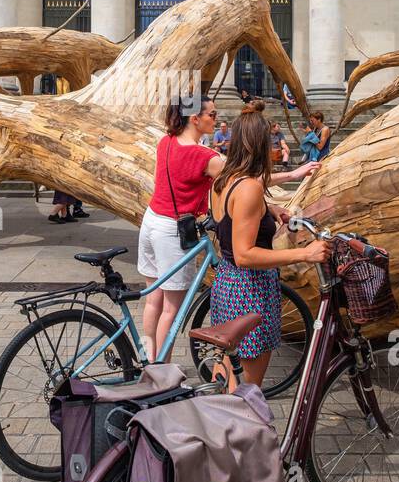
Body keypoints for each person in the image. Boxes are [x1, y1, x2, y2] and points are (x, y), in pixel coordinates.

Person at [210, 100, 332, 388]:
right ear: (258, 145)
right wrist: (306, 252)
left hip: (226, 284)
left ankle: (217, 428)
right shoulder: (250, 188)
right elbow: (245, 254)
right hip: (249, 292)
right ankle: (241, 431)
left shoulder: (224, 180)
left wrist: (270, 209)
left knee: (228, 379)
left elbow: (237, 211)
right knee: (247, 391)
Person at [138, 93, 224, 361]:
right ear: (195, 119)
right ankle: (161, 372)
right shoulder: (207, 157)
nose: (216, 119)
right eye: (212, 114)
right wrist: (290, 175)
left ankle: (149, 361)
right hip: (172, 231)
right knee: (172, 309)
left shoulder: (166, 142)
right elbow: (243, 181)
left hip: (150, 221)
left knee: (154, 299)